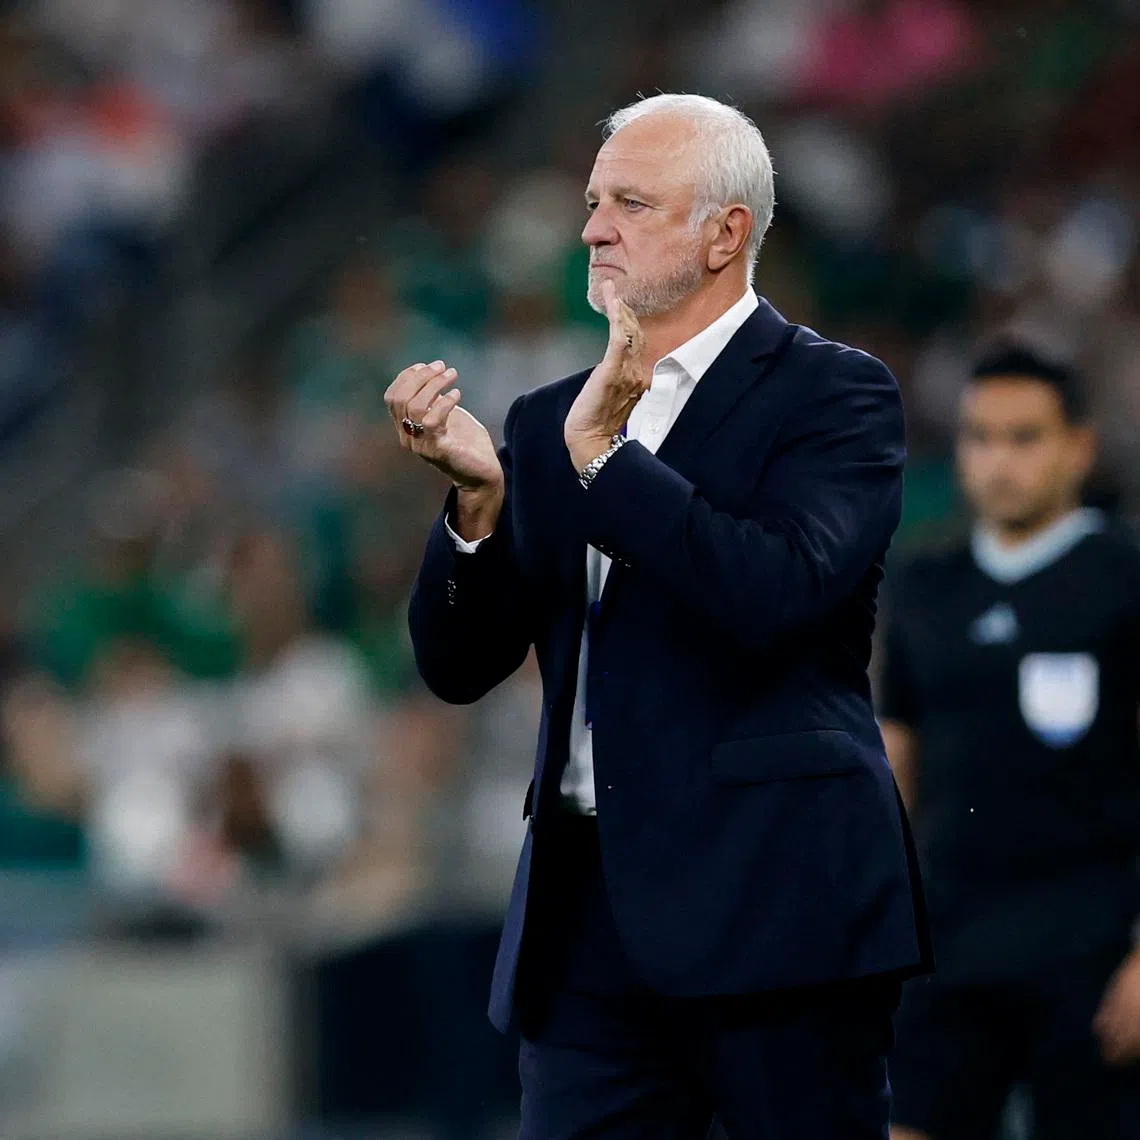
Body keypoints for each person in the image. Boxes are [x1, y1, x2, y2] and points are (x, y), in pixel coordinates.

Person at [386, 93, 932, 1139]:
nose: (594, 229)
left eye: (631, 204)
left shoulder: (835, 394)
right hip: (586, 917)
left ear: (726, 234)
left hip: (777, 899)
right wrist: (477, 508)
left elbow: (775, 594)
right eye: (594, 203)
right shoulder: (543, 419)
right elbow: (457, 666)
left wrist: (608, 462)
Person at [878, 346, 1140, 1140]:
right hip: (949, 935)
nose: (999, 461)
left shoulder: (1122, 577)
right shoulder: (924, 584)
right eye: (980, 437)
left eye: (1024, 437)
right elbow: (895, 764)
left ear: (1078, 447)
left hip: (1090, 944)